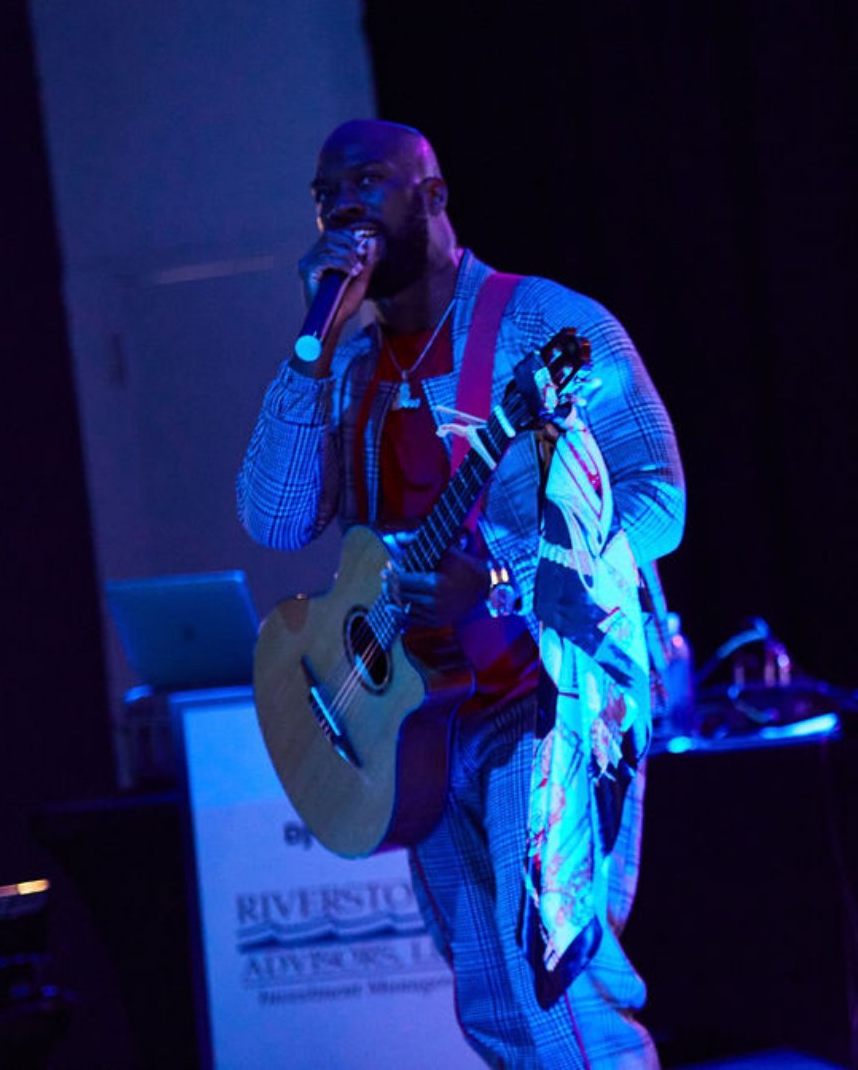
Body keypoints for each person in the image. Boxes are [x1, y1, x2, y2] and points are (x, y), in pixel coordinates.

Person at [237, 119, 685, 1068]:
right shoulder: (349, 362)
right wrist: (310, 348)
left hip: (550, 694)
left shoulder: (545, 323)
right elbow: (274, 518)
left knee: (559, 985)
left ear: (432, 198)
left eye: (366, 181)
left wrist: (508, 577)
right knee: (491, 999)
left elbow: (657, 502)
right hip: (420, 718)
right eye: (325, 194)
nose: (342, 207)